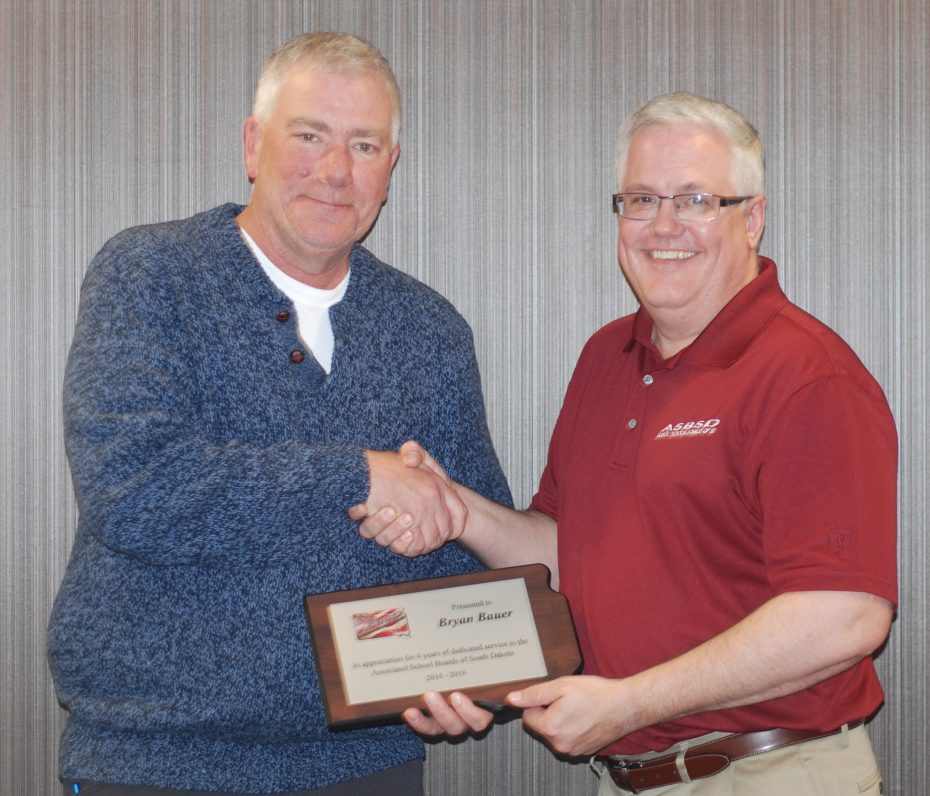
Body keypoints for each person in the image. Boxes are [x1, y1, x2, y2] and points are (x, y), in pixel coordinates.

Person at [353, 93, 897, 795]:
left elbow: (846, 615)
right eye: (641, 200)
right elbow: (566, 554)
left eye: (696, 200)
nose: (664, 226)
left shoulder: (806, 374)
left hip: (772, 774)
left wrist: (630, 704)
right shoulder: (606, 358)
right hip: (633, 778)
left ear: (752, 218)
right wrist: (457, 510)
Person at [47, 32, 511, 795]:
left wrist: (469, 675)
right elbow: (134, 491)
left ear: (390, 167)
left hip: (368, 763)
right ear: (252, 146)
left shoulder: (430, 329)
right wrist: (359, 477)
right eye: (309, 136)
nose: (335, 170)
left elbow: (467, 534)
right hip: (156, 764)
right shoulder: (150, 273)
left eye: (364, 145)